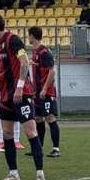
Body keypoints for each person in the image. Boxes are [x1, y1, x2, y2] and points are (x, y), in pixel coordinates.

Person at [0, 13, 47, 180]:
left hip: (20, 94)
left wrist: (20, 87)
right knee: (7, 134)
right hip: (5, 96)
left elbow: (24, 62)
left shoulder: (13, 39)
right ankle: (13, 173)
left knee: (31, 132)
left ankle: (40, 174)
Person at [28, 27, 61, 158]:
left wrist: (45, 89)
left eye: (29, 35)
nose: (28, 38)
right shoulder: (36, 52)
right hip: (37, 92)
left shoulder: (43, 51)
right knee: (38, 119)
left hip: (46, 92)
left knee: (50, 118)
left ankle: (56, 149)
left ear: (32, 36)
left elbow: (52, 71)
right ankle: (38, 148)